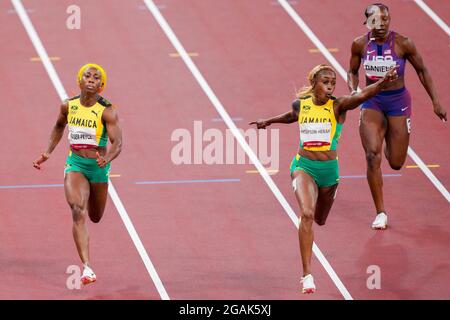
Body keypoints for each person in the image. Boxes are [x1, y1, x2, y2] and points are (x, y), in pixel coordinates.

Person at [250, 64, 398, 294]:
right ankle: (307, 275)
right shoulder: (301, 105)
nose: (330, 86)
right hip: (303, 166)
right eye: (325, 82)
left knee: (320, 219)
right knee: (307, 214)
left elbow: (362, 95)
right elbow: (292, 116)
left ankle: (326, 200)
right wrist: (269, 121)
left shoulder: (338, 106)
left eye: (332, 83)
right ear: (314, 84)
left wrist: (382, 82)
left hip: (329, 172)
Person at [347, 3, 447, 230]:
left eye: (385, 20)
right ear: (367, 22)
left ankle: (390, 140)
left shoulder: (403, 43)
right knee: (372, 156)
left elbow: (422, 70)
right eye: (376, 21)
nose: (381, 25)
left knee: (396, 162)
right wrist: (355, 91)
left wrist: (436, 101)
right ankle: (380, 212)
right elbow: (352, 71)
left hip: (398, 103)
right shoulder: (360, 44)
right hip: (371, 101)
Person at [33, 63, 122, 285]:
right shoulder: (68, 106)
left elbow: (118, 142)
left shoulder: (107, 110)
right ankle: (87, 268)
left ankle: (87, 264)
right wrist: (47, 152)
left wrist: (107, 158)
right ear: (79, 81)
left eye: (96, 77)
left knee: (95, 216)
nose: (91, 79)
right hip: (76, 165)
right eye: (87, 75)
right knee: (77, 210)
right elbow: (58, 126)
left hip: (99, 169)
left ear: (101, 86)